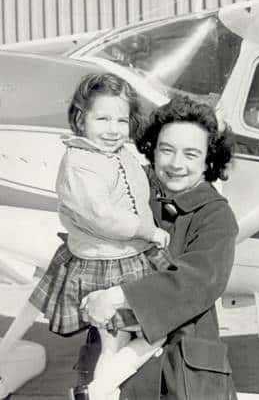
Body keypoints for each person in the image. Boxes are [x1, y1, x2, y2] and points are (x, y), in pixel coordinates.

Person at [0, 73, 174, 400]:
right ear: (82, 118)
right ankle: (97, 392)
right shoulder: (80, 162)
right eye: (103, 118)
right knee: (135, 335)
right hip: (108, 261)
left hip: (127, 254)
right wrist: (149, 231)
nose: (113, 129)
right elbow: (104, 216)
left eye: (121, 120)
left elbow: (138, 191)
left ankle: (97, 390)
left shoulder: (119, 154)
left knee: (138, 334)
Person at [75, 95, 239, 400]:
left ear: (209, 160)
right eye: (167, 150)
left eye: (191, 154)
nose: (176, 164)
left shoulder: (216, 216)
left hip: (181, 378)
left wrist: (117, 296)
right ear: (152, 150)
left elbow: (196, 281)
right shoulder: (130, 197)